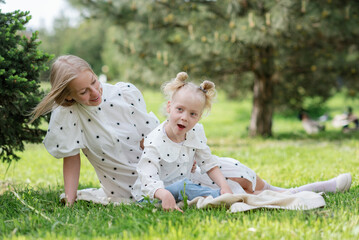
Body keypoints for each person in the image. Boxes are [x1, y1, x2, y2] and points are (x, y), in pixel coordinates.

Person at [30, 55, 351, 207]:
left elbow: (155, 132)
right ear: (68, 94)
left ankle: (296, 190)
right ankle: (298, 193)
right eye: (83, 91)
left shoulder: (124, 92)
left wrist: (185, 150)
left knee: (234, 173)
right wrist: (70, 200)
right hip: (136, 181)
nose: (94, 93)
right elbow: (71, 159)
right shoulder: (67, 116)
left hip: (167, 159)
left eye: (94, 83)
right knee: (225, 185)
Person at [132, 72, 233, 212]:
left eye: (193, 114)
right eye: (179, 109)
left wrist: (224, 186)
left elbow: (208, 163)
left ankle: (224, 194)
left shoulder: (195, 133)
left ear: (199, 117)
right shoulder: (155, 140)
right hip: (152, 195)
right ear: (169, 108)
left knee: (190, 184)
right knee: (184, 186)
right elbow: (147, 177)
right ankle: (219, 198)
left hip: (178, 191)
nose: (184, 118)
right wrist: (164, 194)